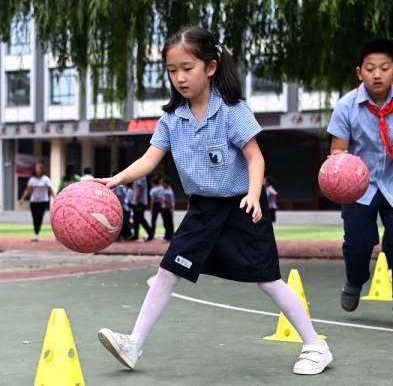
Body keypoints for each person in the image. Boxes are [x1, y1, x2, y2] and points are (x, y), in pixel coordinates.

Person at [94, 26, 332, 375]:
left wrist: (254, 193)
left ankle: (315, 344)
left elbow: (255, 157)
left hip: (241, 205)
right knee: (167, 271)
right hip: (202, 209)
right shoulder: (172, 120)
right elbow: (149, 159)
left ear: (210, 67)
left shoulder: (232, 110)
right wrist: (116, 179)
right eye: (172, 70)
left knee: (268, 279)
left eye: (187, 68)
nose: (179, 77)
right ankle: (133, 344)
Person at [326, 38, 393, 331]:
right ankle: (356, 279)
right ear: (360, 72)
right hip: (360, 188)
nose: (377, 74)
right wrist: (343, 168)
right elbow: (338, 151)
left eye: (384, 68)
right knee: (358, 244)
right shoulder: (347, 105)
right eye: (370, 69)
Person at [18, 163, 55, 242]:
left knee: (39, 217)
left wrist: (55, 198)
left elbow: (50, 190)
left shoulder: (46, 179)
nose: (37, 170)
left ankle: (37, 233)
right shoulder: (32, 180)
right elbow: (28, 190)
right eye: (36, 169)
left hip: (43, 201)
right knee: (35, 218)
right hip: (34, 202)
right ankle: (36, 234)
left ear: (42, 170)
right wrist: (22, 199)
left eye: (39, 169)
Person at [111, 170, 131, 241]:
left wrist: (119, 208)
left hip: (122, 207)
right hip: (122, 207)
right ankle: (124, 236)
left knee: (122, 222)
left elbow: (120, 198)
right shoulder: (118, 185)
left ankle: (121, 236)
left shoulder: (118, 185)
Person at [131, 176, 152, 241]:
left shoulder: (141, 177)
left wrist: (137, 200)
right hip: (137, 201)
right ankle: (136, 235)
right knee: (136, 219)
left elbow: (140, 188)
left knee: (140, 218)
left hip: (140, 202)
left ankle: (150, 233)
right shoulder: (138, 177)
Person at [160, 177, 175, 242]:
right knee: (168, 223)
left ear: (166, 183)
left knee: (167, 223)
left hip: (167, 209)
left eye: (162, 183)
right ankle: (169, 235)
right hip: (166, 208)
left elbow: (169, 202)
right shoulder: (167, 190)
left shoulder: (168, 192)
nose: (161, 184)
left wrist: (170, 209)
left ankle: (168, 237)